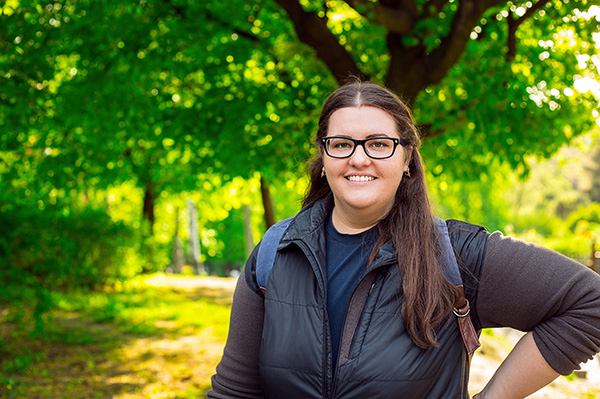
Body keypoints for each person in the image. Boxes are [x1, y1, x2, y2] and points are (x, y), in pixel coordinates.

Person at [208, 81, 600, 398]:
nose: (358, 159)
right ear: (323, 158)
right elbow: (234, 390)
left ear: (407, 158)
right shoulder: (276, 253)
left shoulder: (456, 254)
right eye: (341, 144)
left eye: (379, 144)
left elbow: (590, 303)